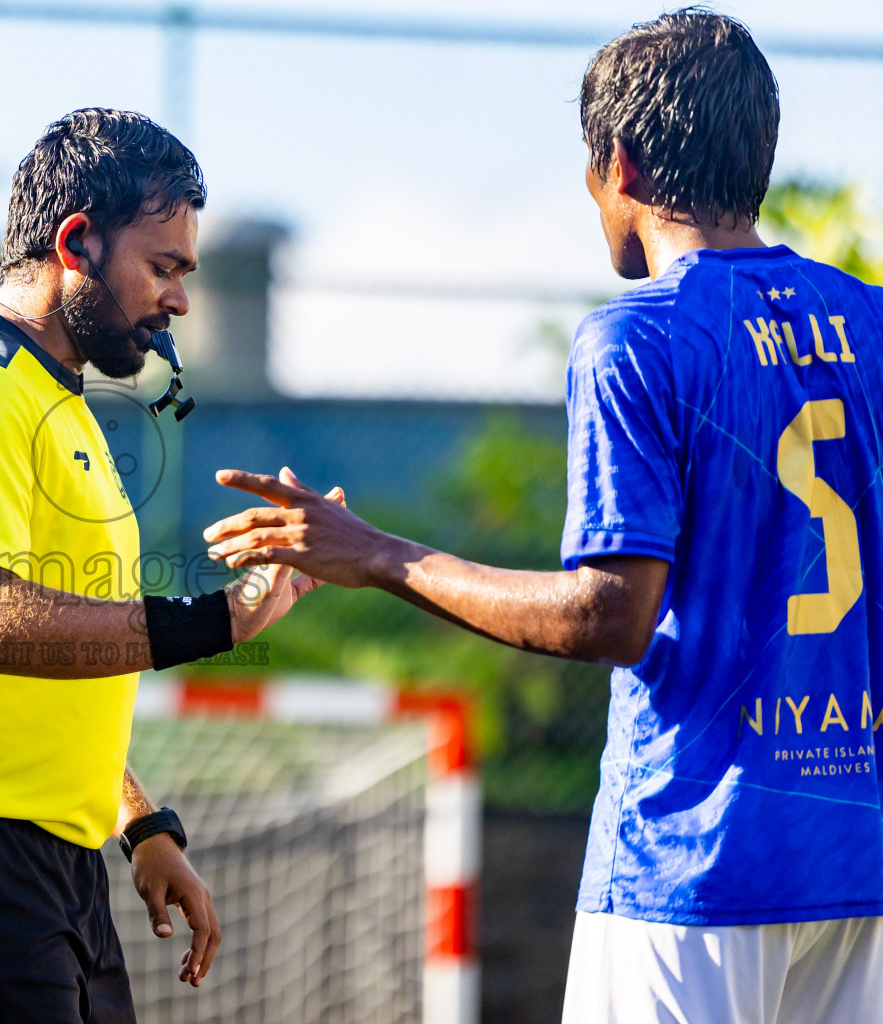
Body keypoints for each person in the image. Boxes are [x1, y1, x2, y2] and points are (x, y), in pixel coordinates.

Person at [203, 10, 883, 1024]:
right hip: (859, 858)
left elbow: (611, 615)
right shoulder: (870, 324)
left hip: (695, 859)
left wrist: (380, 553)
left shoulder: (638, 339)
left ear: (621, 165)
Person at [0, 107, 318, 1024]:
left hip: (56, 859)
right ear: (76, 243)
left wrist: (140, 822)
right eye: (162, 268)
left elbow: (61, 657)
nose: (178, 300)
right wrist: (217, 619)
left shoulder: (68, 415)